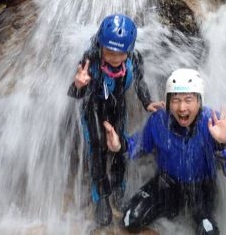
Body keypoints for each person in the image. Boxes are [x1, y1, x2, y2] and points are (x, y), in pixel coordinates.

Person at [103, 68, 226, 234]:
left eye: (188, 100)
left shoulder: (215, 124)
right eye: (176, 100)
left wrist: (223, 144)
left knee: (208, 232)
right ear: (168, 102)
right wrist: (120, 146)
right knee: (129, 219)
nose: (182, 108)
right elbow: (139, 145)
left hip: (202, 188)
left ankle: (194, 214)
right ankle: (171, 209)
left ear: (200, 101)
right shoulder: (159, 121)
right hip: (167, 182)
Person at [68, 13, 163, 226]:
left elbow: (139, 83)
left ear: (128, 51)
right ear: (100, 45)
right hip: (93, 108)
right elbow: (75, 94)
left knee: (120, 149)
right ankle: (100, 197)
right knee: (98, 150)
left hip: (117, 108)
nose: (113, 58)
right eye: (109, 51)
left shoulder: (134, 59)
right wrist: (79, 85)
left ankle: (119, 189)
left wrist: (147, 102)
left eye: (120, 54)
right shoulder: (89, 60)